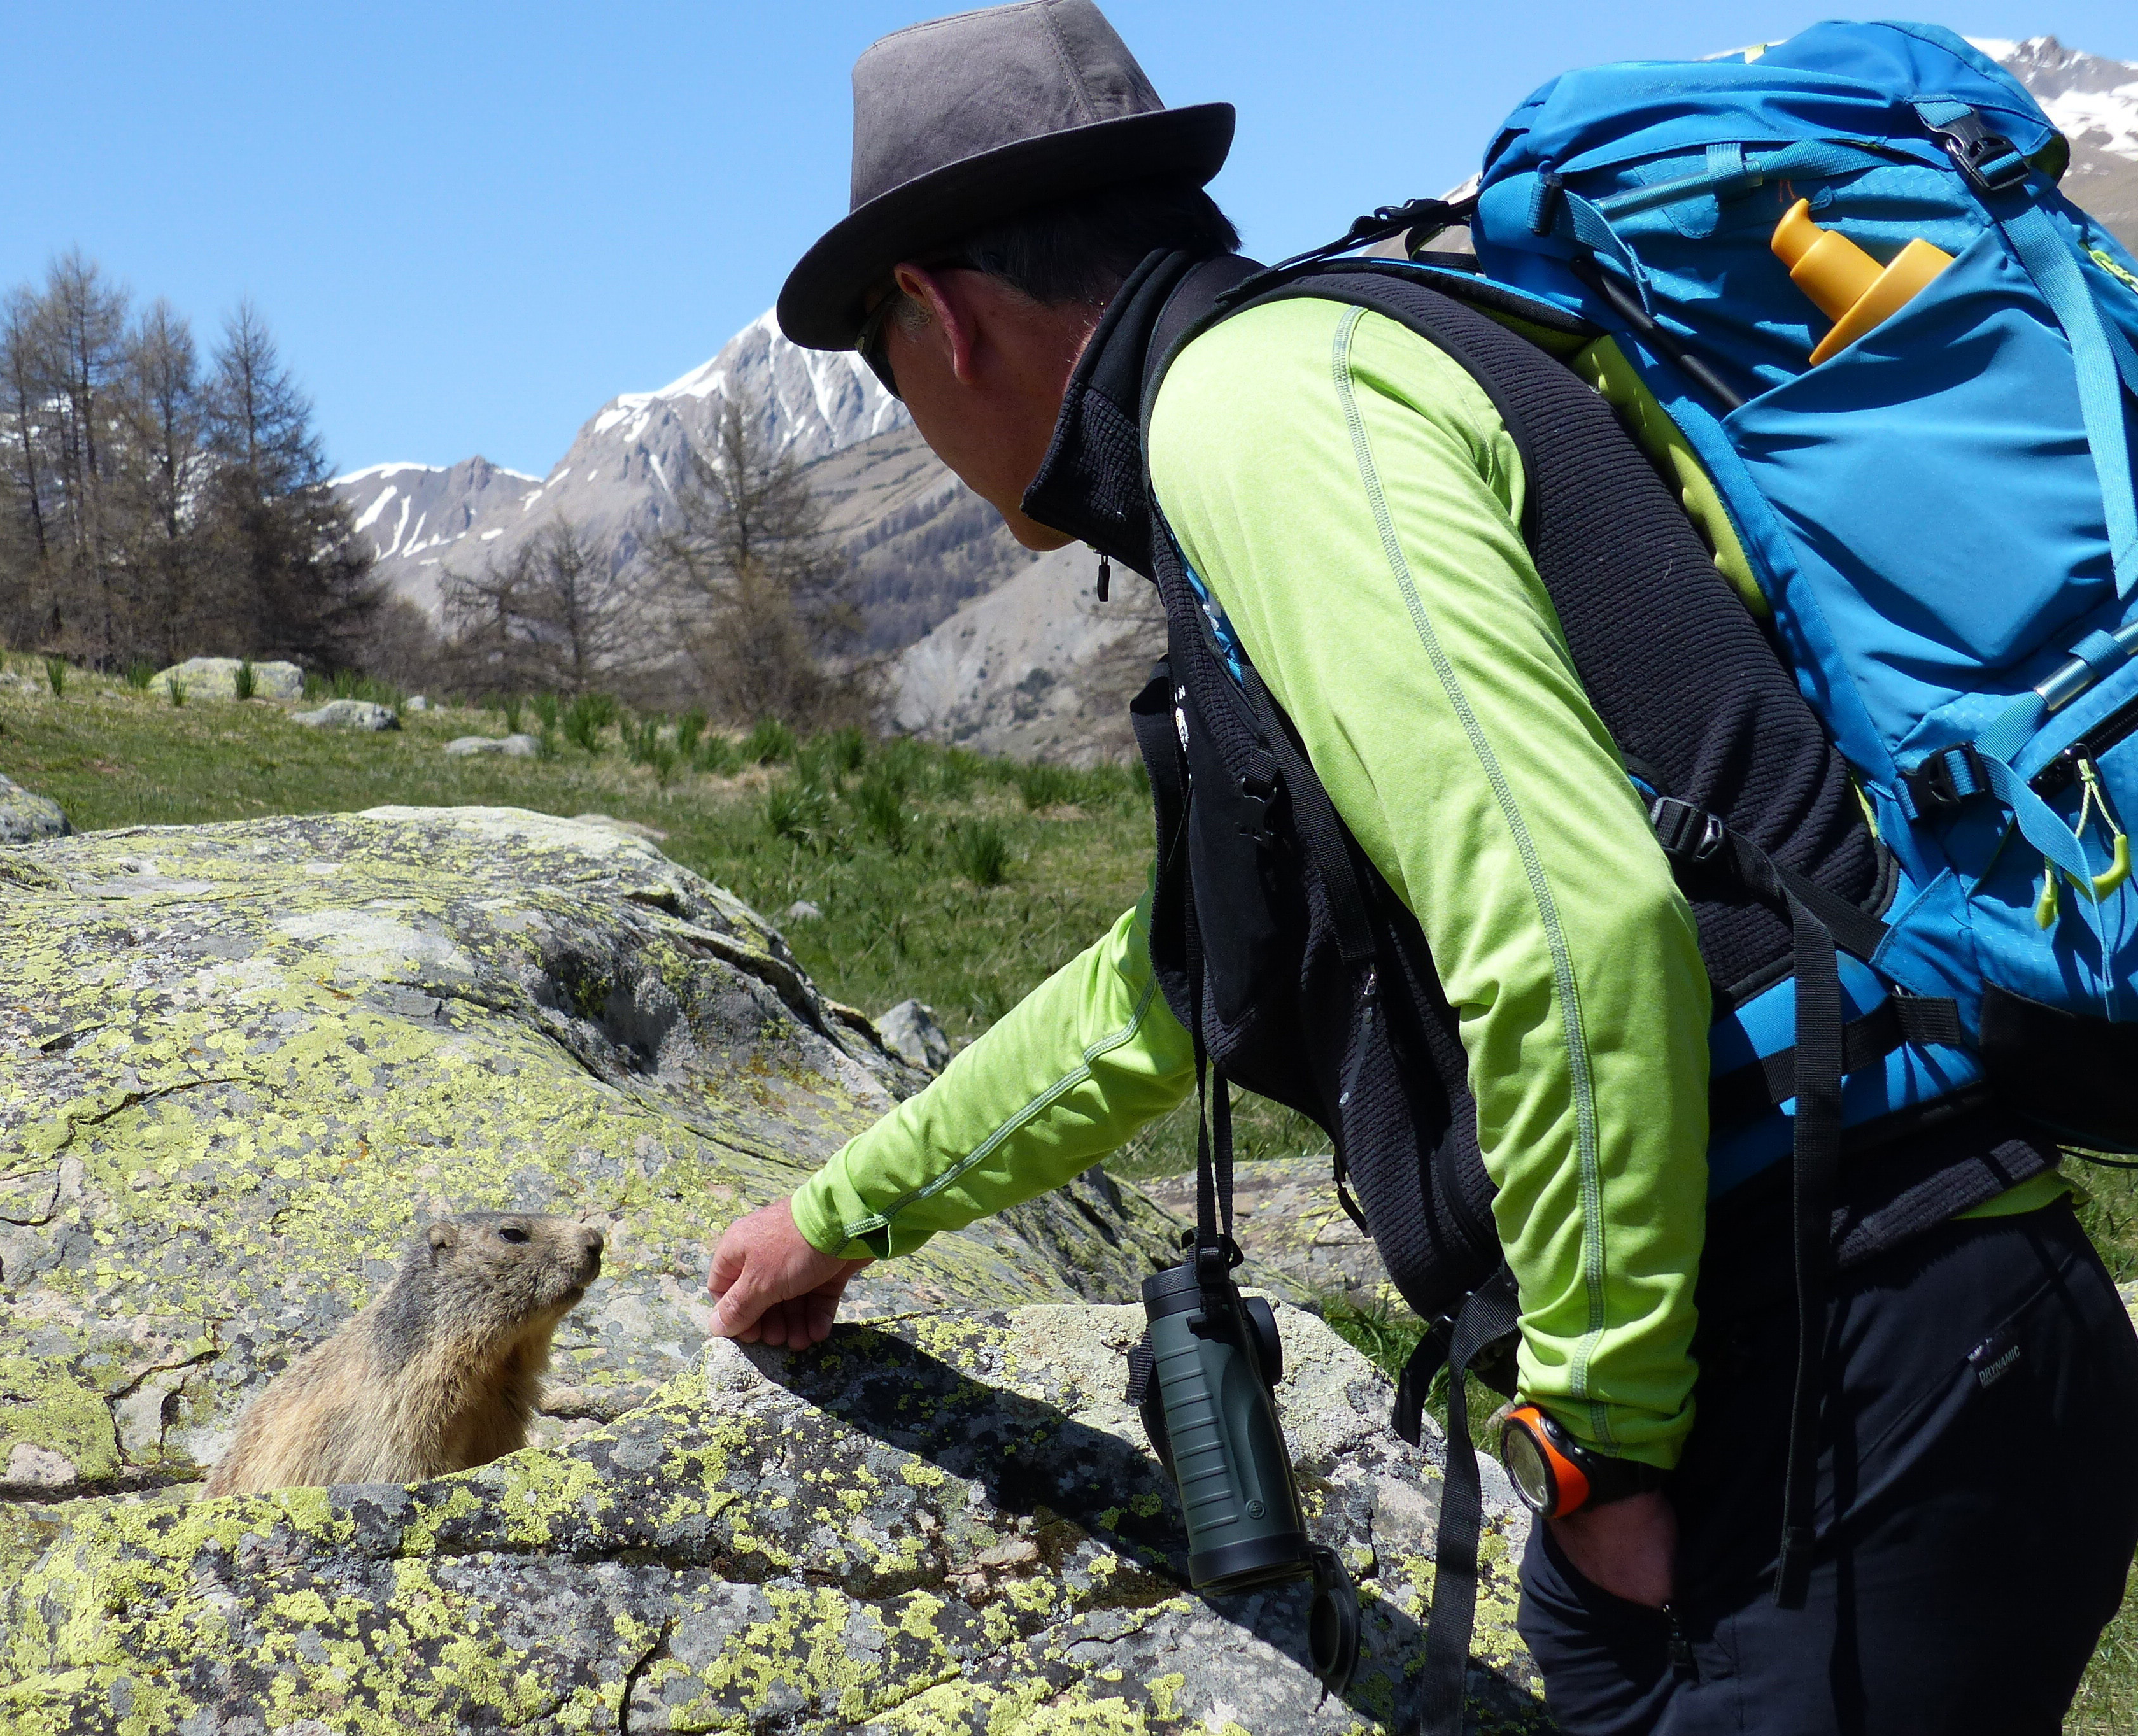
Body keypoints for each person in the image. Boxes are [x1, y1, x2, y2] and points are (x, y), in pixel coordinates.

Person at [704, 3, 2138, 1730]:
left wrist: (1603, 1444)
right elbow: (1183, 981)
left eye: (874, 359)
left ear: (933, 315)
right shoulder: (1299, 387)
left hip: (1837, 1350)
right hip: (1870, 1330)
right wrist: (842, 1216)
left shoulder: (1257, 410)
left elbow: (1566, 918)